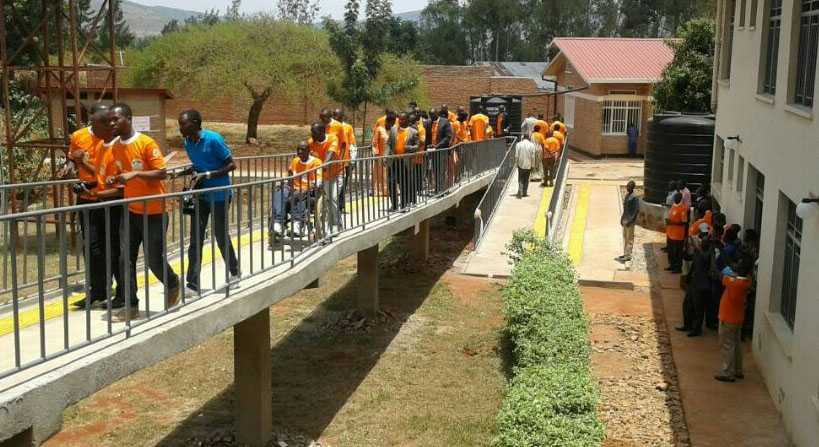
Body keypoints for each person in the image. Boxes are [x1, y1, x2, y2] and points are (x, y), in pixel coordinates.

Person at [105, 103, 180, 321]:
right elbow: (125, 174)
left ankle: (173, 283)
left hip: (154, 211)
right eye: (109, 120)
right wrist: (117, 179)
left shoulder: (146, 143)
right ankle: (131, 305)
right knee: (125, 258)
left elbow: (161, 172)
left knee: (153, 260)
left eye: (115, 119)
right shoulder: (116, 146)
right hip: (131, 211)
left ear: (128, 118)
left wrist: (134, 175)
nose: (111, 124)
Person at [69, 104, 126, 309]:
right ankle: (98, 290)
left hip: (110, 203)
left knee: (114, 249)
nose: (90, 128)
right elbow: (99, 175)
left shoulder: (118, 146)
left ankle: (123, 293)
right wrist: (87, 183)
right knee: (92, 247)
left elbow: (112, 180)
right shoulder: (84, 138)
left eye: (94, 123)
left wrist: (84, 163)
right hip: (88, 200)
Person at [177, 109, 240, 294]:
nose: (180, 127)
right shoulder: (187, 142)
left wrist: (209, 174)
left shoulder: (213, 139)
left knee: (220, 235)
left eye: (184, 124)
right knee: (195, 239)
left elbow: (231, 164)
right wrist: (180, 173)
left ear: (196, 123)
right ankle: (192, 284)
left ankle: (235, 272)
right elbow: (197, 166)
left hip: (219, 195)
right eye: (179, 124)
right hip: (201, 196)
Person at [270, 142, 322, 239]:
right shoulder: (295, 161)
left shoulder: (316, 162)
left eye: (302, 149)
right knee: (280, 192)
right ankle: (278, 223)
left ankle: (297, 222)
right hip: (293, 188)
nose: (299, 152)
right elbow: (290, 176)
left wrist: (305, 190)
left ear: (309, 151)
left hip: (309, 190)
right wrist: (284, 184)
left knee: (299, 194)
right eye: (298, 149)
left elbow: (318, 182)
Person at [715, 258, 753, 383]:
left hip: (727, 318)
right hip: (738, 317)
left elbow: (721, 275)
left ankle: (727, 372)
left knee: (727, 345)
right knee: (736, 344)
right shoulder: (747, 282)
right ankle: (738, 370)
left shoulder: (732, 282)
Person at [677, 224, 713, 337]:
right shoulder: (699, 253)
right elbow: (690, 260)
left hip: (702, 285)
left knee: (698, 308)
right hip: (693, 282)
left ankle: (696, 329)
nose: (702, 242)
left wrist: (695, 246)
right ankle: (687, 324)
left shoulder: (708, 254)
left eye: (704, 242)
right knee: (687, 304)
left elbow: (704, 258)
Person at [308, 122, 342, 234]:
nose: (312, 135)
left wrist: (323, 165)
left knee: (333, 199)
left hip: (335, 175)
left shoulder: (332, 139)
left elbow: (330, 155)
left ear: (322, 132)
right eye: (312, 132)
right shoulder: (311, 142)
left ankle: (336, 225)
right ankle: (319, 226)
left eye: (315, 133)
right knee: (321, 202)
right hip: (319, 176)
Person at [386, 112, 419, 211]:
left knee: (404, 184)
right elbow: (388, 144)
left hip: (405, 162)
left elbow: (417, 146)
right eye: (399, 119)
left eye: (403, 119)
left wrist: (408, 147)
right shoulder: (393, 130)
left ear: (407, 120)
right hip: (393, 161)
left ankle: (404, 205)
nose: (400, 121)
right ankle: (394, 205)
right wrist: (385, 156)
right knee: (391, 183)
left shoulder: (413, 132)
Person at [333, 109, 356, 214]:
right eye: (334, 115)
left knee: (343, 185)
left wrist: (353, 160)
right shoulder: (330, 127)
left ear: (342, 116)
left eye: (337, 115)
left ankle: (340, 206)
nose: (335, 117)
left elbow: (352, 144)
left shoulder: (348, 127)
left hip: (345, 161)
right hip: (332, 161)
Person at [431, 108, 453, 193]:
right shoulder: (430, 122)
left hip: (441, 150)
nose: (431, 117)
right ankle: (437, 189)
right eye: (430, 115)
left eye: (432, 115)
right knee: (435, 170)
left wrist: (437, 145)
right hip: (432, 151)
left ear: (437, 114)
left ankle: (442, 190)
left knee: (441, 170)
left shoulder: (445, 122)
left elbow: (448, 137)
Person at [618, 181, 640, 263]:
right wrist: (622, 218)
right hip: (625, 219)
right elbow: (625, 209)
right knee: (625, 237)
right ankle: (625, 253)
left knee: (629, 238)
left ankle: (628, 255)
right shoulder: (627, 196)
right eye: (627, 186)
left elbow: (636, 210)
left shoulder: (634, 197)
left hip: (630, 221)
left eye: (628, 186)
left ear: (632, 187)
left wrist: (631, 220)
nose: (627, 188)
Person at [665, 192, 687, 273]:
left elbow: (684, 222)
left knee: (677, 252)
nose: (675, 199)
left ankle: (678, 268)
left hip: (678, 235)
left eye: (677, 198)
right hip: (670, 233)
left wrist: (672, 223)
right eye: (675, 197)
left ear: (680, 198)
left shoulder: (682, 208)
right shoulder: (673, 206)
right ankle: (672, 265)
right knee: (671, 251)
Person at [514, 134, 537, 198]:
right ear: (529, 138)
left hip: (520, 164)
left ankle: (520, 191)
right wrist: (533, 165)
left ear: (523, 138)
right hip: (529, 165)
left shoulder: (518, 144)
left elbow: (516, 155)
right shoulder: (532, 145)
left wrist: (516, 163)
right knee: (526, 179)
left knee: (520, 178)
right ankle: (524, 192)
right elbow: (533, 156)